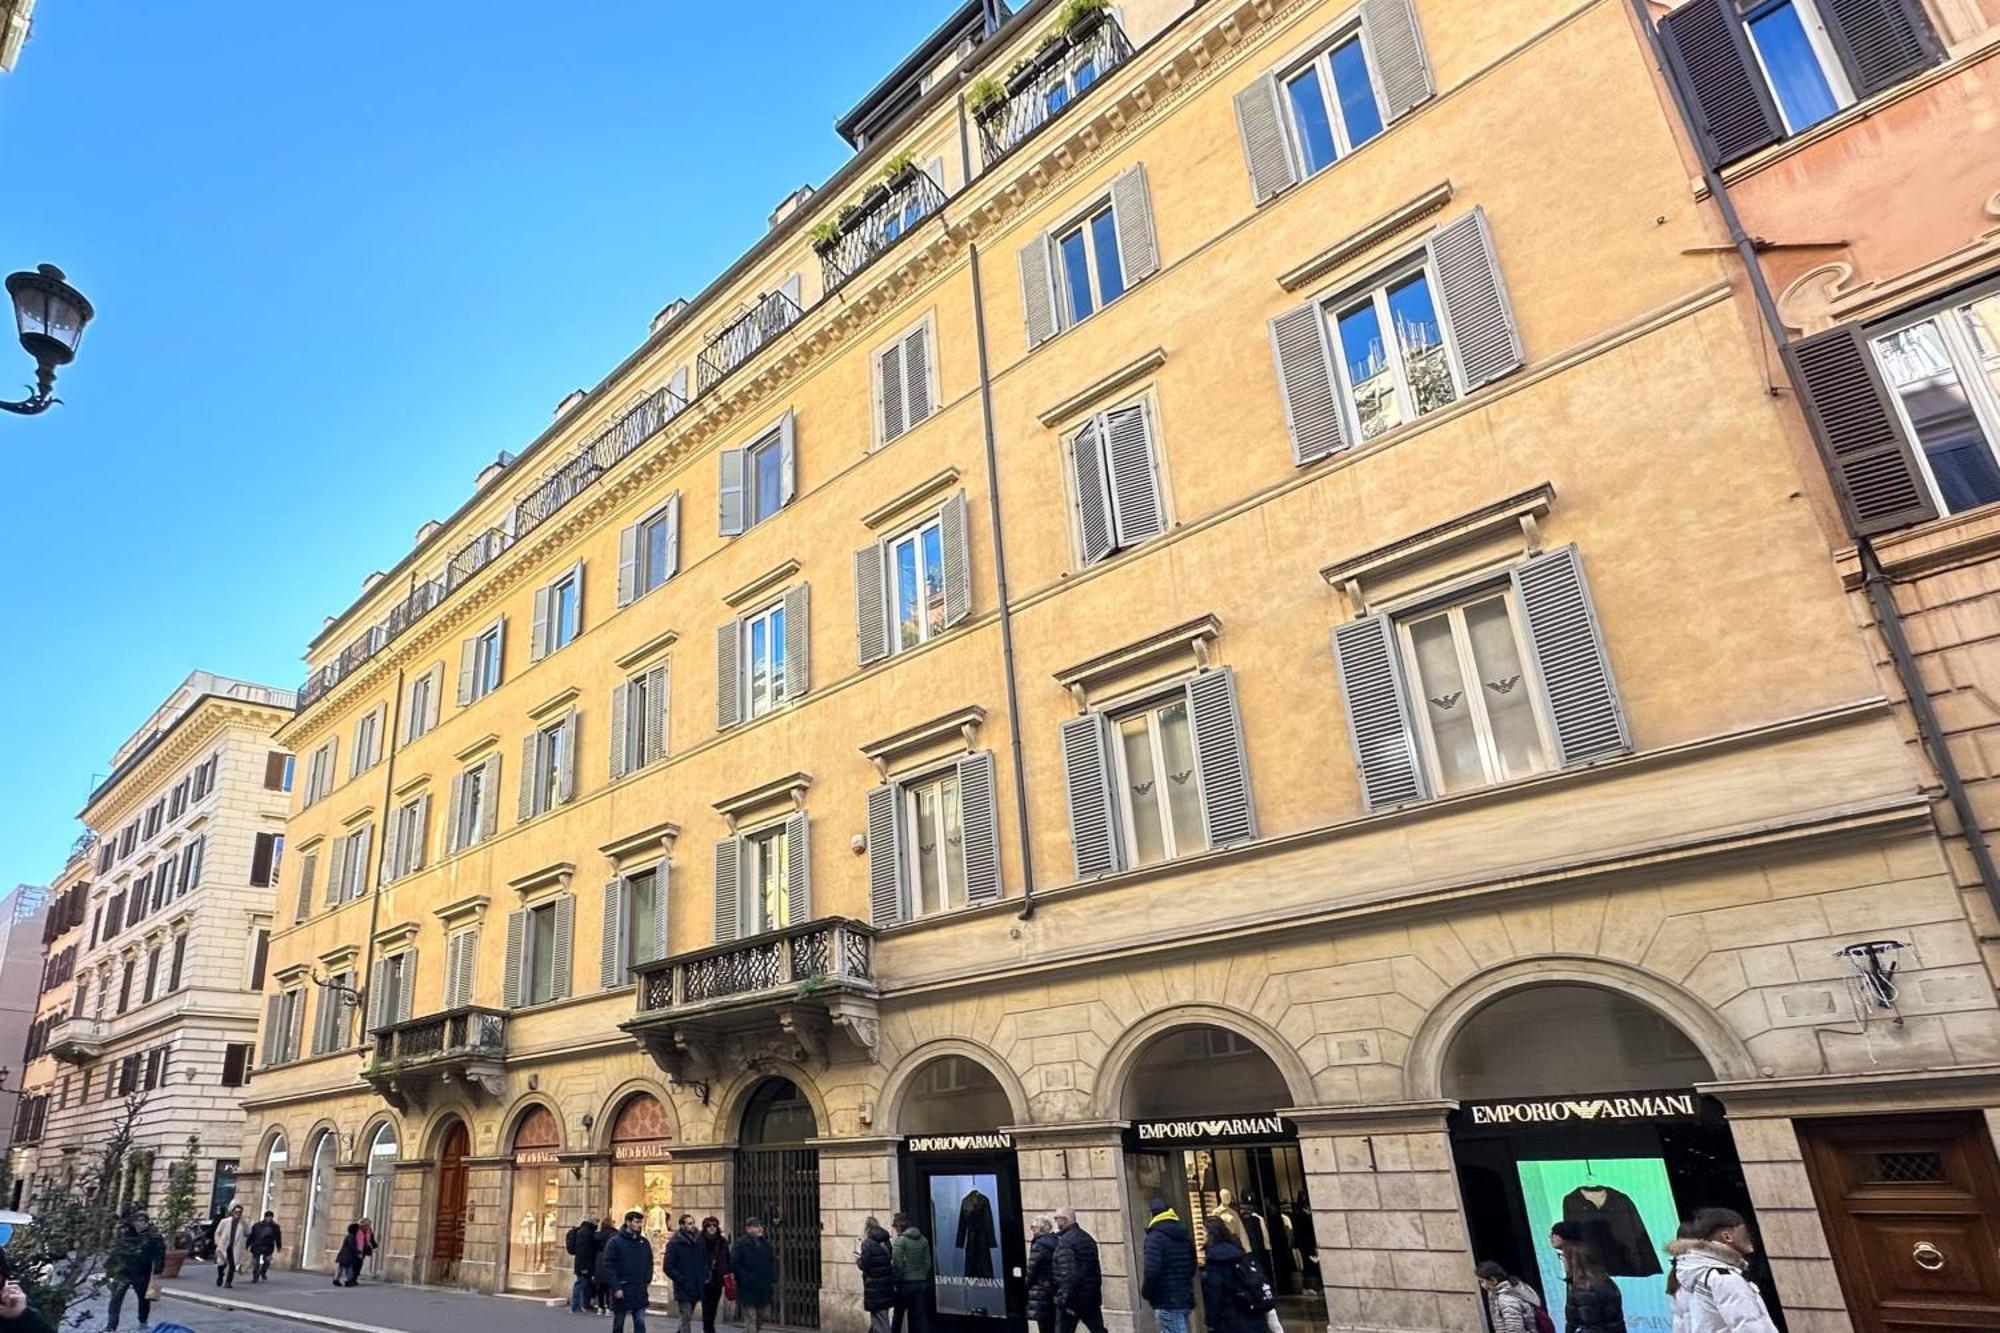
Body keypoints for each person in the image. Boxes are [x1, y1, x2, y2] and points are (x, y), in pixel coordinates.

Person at [1666, 1208, 1780, 1333]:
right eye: (1744, 1231)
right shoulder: (1724, 1277)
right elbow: (1748, 1326)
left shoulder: (1693, 1277)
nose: (1750, 1236)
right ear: (1727, 1236)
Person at [1199, 1217, 1268, 1333]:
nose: (1202, 1236)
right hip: (1249, 1313)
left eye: (1203, 1232)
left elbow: (1215, 1292)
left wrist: (1211, 1320)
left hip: (1229, 1318)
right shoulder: (1238, 1252)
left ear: (1212, 1233)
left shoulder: (1215, 1258)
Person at [1141, 1197, 1196, 1333]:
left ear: (1152, 1215)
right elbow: (1192, 1265)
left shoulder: (1154, 1237)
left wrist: (1146, 1292)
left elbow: (1151, 1270)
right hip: (1183, 1297)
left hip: (1166, 1300)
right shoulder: (1183, 1234)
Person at [104, 1206, 165, 1331]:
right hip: (123, 1271)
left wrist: (158, 1272)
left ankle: (143, 1321)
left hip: (142, 1271)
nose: (140, 1223)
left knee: (143, 1299)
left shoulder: (154, 1236)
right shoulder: (125, 1233)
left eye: (143, 1221)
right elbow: (116, 1252)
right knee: (115, 1300)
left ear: (147, 1222)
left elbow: (159, 1254)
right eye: (137, 1220)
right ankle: (111, 1326)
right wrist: (109, 1272)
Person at [600, 1209, 657, 1333]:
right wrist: (616, 1287)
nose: (639, 1225)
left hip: (639, 1289)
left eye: (640, 1222)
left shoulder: (643, 1242)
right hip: (622, 1287)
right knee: (619, 1323)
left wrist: (647, 1279)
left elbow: (649, 1262)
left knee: (640, 1322)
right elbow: (609, 1266)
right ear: (628, 1222)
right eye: (636, 1222)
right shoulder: (615, 1242)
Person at [1051, 1207, 1106, 1333]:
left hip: (1073, 1299)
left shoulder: (1066, 1242)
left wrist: (1063, 1300)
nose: (1056, 1222)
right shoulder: (1087, 1238)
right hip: (1091, 1296)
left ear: (1064, 1220)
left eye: (1057, 1218)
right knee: (1098, 1330)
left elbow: (1067, 1274)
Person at [1562, 1243, 1626, 1333]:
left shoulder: (1582, 1290)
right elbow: (1615, 1324)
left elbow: (1585, 1326)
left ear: (1572, 1260)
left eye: (1563, 1256)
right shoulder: (1607, 1283)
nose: (1563, 1261)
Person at [729, 1218, 776, 1333]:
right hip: (748, 1287)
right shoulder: (741, 1244)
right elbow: (734, 1264)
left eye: (759, 1226)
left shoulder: (766, 1244)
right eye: (755, 1226)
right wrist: (745, 1278)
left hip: (763, 1287)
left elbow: (772, 1262)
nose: (759, 1229)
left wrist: (772, 1278)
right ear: (748, 1229)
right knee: (751, 1317)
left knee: (762, 1315)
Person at [889, 1213, 932, 1333]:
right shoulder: (923, 1240)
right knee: (921, 1316)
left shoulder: (900, 1241)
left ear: (899, 1225)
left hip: (905, 1284)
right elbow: (928, 1262)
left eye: (895, 1225)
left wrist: (898, 1279)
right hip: (920, 1283)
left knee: (898, 1316)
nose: (895, 1228)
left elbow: (898, 1264)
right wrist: (921, 1274)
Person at [1476, 1261, 1546, 1333]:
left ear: (1493, 1280)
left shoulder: (1506, 1300)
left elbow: (1515, 1330)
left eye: (1482, 1281)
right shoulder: (1516, 1287)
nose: (1482, 1285)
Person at [665, 1214, 708, 1333]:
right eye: (689, 1224)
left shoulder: (699, 1240)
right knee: (686, 1316)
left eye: (693, 1223)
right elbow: (668, 1267)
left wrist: (704, 1275)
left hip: (697, 1284)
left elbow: (704, 1260)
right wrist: (681, 1279)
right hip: (683, 1286)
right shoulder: (675, 1243)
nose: (692, 1226)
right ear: (682, 1225)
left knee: (688, 1316)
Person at [857, 1216, 896, 1333]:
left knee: (880, 1321)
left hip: (874, 1287)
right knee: (879, 1317)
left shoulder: (867, 1244)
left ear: (867, 1227)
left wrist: (858, 1259)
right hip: (886, 1285)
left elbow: (864, 1264)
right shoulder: (886, 1241)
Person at [1025, 1217, 1059, 1333]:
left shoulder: (1039, 1244)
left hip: (1041, 1290)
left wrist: (1024, 1286)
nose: (1032, 1230)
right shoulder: (1056, 1240)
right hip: (1053, 1289)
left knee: (1044, 1326)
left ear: (1041, 1228)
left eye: (1034, 1227)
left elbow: (1032, 1269)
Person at [698, 1216, 730, 1333]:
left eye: (714, 1226)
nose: (712, 1228)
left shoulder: (722, 1241)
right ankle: (708, 1329)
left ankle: (710, 1327)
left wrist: (726, 1272)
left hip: (717, 1279)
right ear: (705, 1227)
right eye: (709, 1226)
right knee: (706, 1308)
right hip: (704, 1279)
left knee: (714, 1307)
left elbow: (726, 1258)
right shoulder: (700, 1240)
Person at [567, 1215, 602, 1314]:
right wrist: (584, 1267)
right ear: (592, 1222)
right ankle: (575, 1306)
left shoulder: (586, 1231)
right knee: (581, 1283)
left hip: (585, 1263)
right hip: (584, 1264)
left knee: (585, 1284)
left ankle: (584, 1304)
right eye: (596, 1221)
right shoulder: (585, 1233)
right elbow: (583, 1251)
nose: (597, 1224)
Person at [214, 1203, 249, 1289]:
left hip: (235, 1247)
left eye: (239, 1212)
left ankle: (228, 1282)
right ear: (232, 1212)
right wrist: (218, 1243)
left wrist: (244, 1222)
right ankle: (220, 1276)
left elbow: (247, 1232)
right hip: (224, 1246)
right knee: (221, 1264)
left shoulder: (243, 1223)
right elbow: (217, 1232)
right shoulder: (225, 1221)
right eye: (236, 1212)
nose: (237, 1213)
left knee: (232, 1265)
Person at [334, 1221, 374, 1287]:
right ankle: (345, 1281)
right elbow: (353, 1247)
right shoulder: (351, 1237)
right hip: (347, 1255)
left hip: (344, 1255)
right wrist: (358, 1253)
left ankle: (339, 1280)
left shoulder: (350, 1236)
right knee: (347, 1269)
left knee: (343, 1268)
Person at [248, 1210, 283, 1282]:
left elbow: (278, 1237)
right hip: (257, 1245)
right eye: (268, 1217)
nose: (269, 1219)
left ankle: (263, 1271)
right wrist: (248, 1244)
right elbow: (252, 1235)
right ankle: (255, 1276)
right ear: (265, 1217)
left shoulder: (275, 1227)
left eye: (271, 1217)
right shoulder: (257, 1225)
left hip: (268, 1246)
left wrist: (278, 1246)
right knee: (255, 1263)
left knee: (267, 1261)